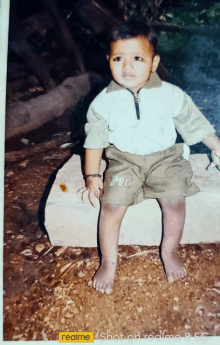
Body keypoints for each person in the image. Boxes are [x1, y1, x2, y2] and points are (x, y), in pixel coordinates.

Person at [82, 21, 220, 294]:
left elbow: (194, 122)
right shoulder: (102, 102)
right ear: (108, 60)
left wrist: (215, 145)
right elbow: (94, 140)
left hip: (165, 159)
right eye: (119, 58)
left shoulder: (170, 95)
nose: (127, 66)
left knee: (175, 202)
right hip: (125, 161)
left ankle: (169, 251)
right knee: (110, 206)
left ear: (154, 62)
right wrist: (92, 175)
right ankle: (109, 261)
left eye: (138, 58)